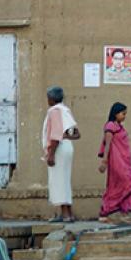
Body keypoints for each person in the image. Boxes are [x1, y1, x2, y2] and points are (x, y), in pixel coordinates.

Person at [42, 86, 79, 222]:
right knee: (64, 180)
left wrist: (51, 154)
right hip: (67, 147)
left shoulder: (54, 111)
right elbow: (75, 133)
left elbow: (56, 135)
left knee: (58, 181)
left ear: (51, 99)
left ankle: (64, 215)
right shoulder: (65, 111)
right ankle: (68, 213)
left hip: (59, 149)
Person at [96, 102, 131, 222]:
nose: (125, 116)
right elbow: (107, 144)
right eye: (123, 113)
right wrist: (104, 161)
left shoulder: (119, 126)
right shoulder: (110, 126)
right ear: (116, 113)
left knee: (125, 182)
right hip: (116, 161)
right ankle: (106, 211)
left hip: (125, 161)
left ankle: (123, 213)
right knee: (126, 181)